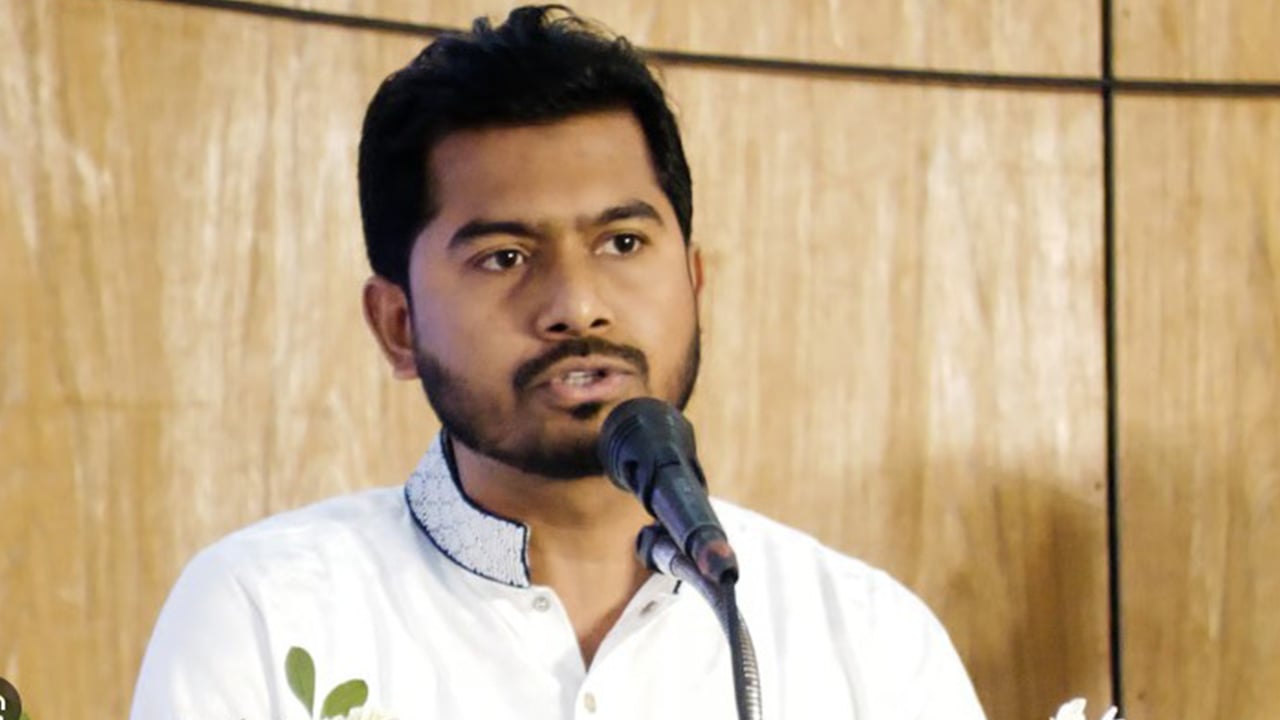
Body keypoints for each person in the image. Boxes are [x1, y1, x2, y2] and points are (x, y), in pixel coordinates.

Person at [131, 5, 987, 719]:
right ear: (398, 325)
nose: (577, 305)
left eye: (622, 243)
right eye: (504, 256)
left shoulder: (869, 641)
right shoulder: (263, 616)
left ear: (694, 283)